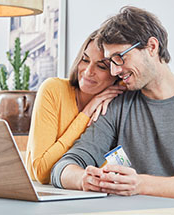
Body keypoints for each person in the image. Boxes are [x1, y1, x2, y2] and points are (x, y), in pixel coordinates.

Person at [51, 6, 174, 215]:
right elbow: (62, 168)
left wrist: (139, 184)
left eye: (120, 57)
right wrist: (84, 179)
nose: (115, 71)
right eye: (110, 62)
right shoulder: (119, 102)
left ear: (152, 47)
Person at [25, 30, 126, 184]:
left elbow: (111, 169)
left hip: (90, 193)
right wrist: (86, 112)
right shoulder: (53, 89)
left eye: (101, 67)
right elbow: (42, 172)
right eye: (85, 60)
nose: (88, 71)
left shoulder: (116, 105)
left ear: (116, 73)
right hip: (45, 191)